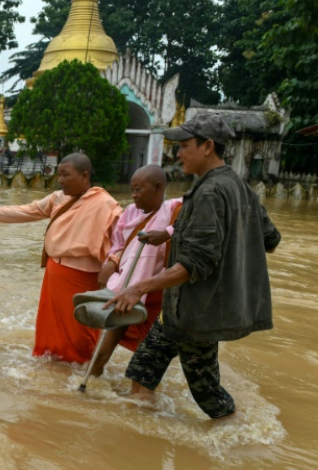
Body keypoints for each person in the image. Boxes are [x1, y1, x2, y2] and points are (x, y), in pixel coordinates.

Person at [106, 113, 281, 419]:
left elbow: (195, 263)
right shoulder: (240, 187)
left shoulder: (210, 193)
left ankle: (240, 447)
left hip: (197, 315)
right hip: (180, 309)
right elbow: (270, 239)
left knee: (211, 399)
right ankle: (138, 445)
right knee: (141, 374)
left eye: (184, 146)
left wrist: (138, 288)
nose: (178, 154)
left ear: (207, 146)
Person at [0, 153, 122, 363]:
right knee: (51, 328)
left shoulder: (106, 205)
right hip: (55, 271)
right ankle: (53, 369)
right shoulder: (58, 198)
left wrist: (113, 263)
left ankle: (84, 369)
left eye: (65, 175)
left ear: (84, 175)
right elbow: (27, 211)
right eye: (59, 175)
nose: (60, 180)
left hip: (86, 277)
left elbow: (123, 240)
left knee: (81, 332)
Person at [88, 165, 182, 377]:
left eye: (139, 189)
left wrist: (166, 233)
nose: (134, 195)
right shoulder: (130, 212)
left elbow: (193, 227)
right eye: (132, 189)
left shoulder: (176, 209)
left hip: (157, 294)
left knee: (148, 359)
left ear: (158, 188)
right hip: (127, 288)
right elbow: (118, 245)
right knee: (100, 354)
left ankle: (139, 402)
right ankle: (88, 391)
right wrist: (111, 264)